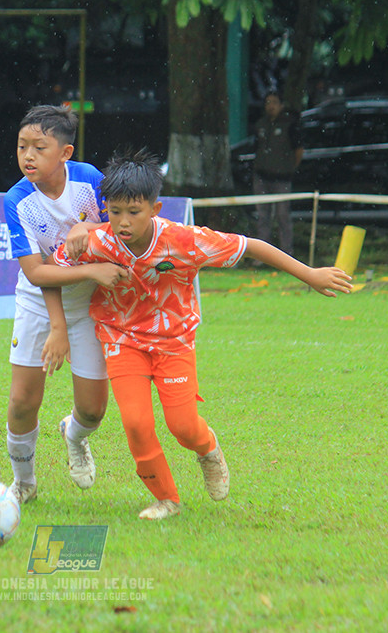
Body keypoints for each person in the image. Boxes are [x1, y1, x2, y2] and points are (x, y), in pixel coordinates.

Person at [52, 150, 352, 520]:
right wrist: (79, 237)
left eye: (134, 212)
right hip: (121, 339)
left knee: (183, 426)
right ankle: (166, 499)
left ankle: (208, 450)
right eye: (114, 212)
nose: (123, 222)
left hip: (173, 342)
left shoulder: (185, 240)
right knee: (136, 424)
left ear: (155, 209)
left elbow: (251, 246)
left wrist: (310, 274)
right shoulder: (99, 241)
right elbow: (52, 269)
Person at [2, 104, 130, 505]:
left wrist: (88, 226)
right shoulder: (17, 200)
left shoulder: (90, 181)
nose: (28, 156)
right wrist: (58, 325)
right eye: (22, 146)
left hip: (91, 305)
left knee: (92, 411)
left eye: (39, 148)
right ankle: (24, 482)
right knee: (23, 401)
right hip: (38, 305)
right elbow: (38, 273)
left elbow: (124, 226)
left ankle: (73, 436)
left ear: (66, 153)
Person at [251, 90, 304, 256]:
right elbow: (256, 148)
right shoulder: (260, 124)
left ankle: (286, 253)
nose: (271, 106)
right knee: (262, 216)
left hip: (282, 178)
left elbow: (299, 150)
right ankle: (262, 255)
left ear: (281, 105)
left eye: (274, 102)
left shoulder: (290, 124)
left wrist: (289, 168)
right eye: (268, 102)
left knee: (282, 216)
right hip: (261, 177)